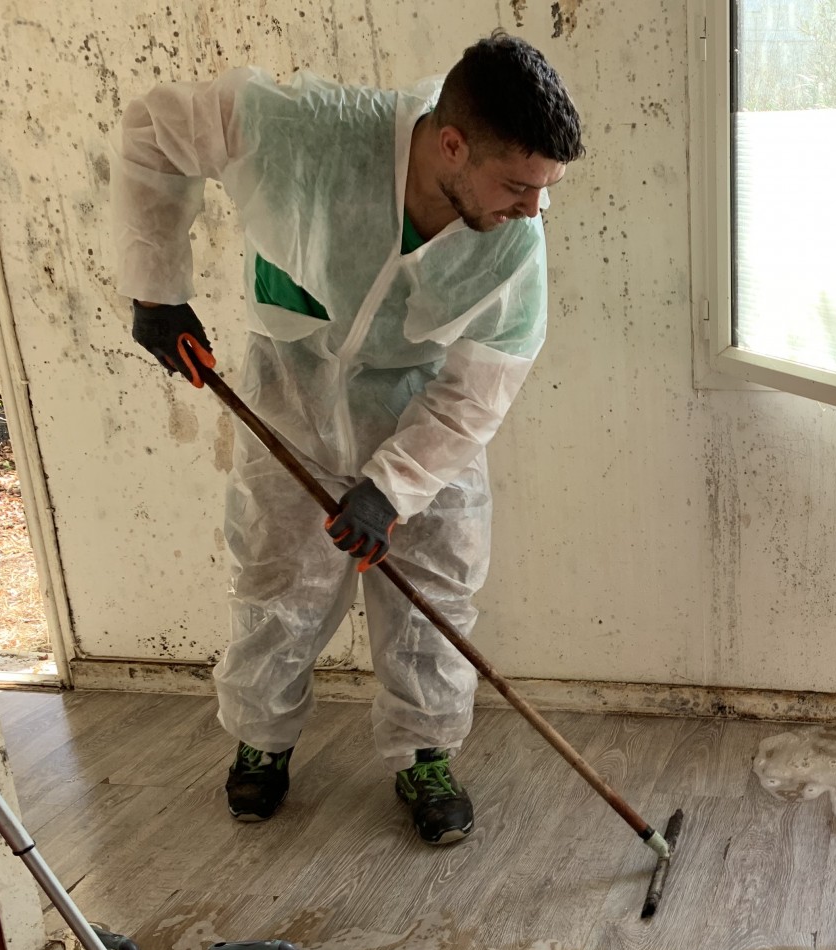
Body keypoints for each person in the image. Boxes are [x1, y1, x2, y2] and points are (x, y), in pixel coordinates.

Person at [111, 33, 582, 845]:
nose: (533, 210)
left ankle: (425, 752)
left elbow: (483, 384)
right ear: (452, 145)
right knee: (277, 574)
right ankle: (262, 740)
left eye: (546, 189)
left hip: (419, 407)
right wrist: (155, 290)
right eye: (517, 185)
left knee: (434, 584)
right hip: (290, 385)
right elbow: (154, 131)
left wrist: (394, 486)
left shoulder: (516, 242)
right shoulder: (301, 129)